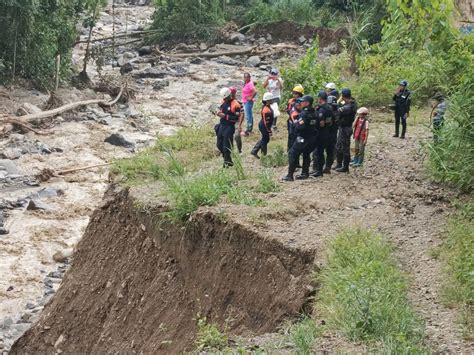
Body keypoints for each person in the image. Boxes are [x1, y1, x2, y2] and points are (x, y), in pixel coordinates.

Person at [282, 95, 319, 181]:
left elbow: (300, 126)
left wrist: (295, 124)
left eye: (302, 101)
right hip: (312, 138)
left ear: (307, 103)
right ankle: (305, 173)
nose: (300, 103)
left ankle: (289, 175)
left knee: (293, 154)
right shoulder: (315, 112)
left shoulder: (304, 113)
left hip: (302, 138)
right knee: (306, 155)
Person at [215, 87, 241, 167]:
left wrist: (225, 116)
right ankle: (228, 159)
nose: (224, 100)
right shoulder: (223, 102)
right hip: (222, 125)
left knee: (226, 145)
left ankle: (226, 163)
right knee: (219, 144)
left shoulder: (236, 104)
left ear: (229, 96)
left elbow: (236, 118)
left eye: (225, 98)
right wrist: (217, 112)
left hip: (229, 126)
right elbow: (221, 111)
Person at [311, 91, 334, 177]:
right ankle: (320, 169)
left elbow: (321, 123)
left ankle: (319, 170)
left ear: (320, 99)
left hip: (321, 133)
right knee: (323, 151)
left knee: (319, 152)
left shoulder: (321, 110)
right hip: (328, 131)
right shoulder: (330, 108)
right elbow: (331, 121)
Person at [334, 88, 357, 173]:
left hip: (346, 128)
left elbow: (338, 111)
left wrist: (337, 105)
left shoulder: (349, 106)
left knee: (345, 148)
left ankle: (345, 167)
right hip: (343, 127)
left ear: (343, 96)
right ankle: (339, 164)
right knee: (339, 146)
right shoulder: (349, 102)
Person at [251, 93, 275, 159]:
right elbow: (266, 122)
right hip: (264, 126)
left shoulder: (267, 106)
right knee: (265, 140)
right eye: (271, 99)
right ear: (268, 100)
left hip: (264, 125)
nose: (272, 100)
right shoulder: (266, 110)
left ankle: (255, 151)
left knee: (265, 139)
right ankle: (263, 155)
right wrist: (269, 130)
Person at [286, 85, 305, 151]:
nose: (294, 95)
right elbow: (287, 109)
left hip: (299, 121)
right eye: (294, 93)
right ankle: (289, 149)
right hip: (291, 121)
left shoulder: (303, 102)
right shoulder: (291, 101)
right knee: (290, 136)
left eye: (296, 94)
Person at [230, 86, 244, 154]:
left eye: (232, 93)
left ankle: (239, 150)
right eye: (230, 93)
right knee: (228, 136)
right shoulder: (226, 100)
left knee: (237, 135)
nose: (231, 94)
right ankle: (230, 151)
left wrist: (240, 125)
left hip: (236, 121)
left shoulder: (238, 102)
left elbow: (241, 114)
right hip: (228, 121)